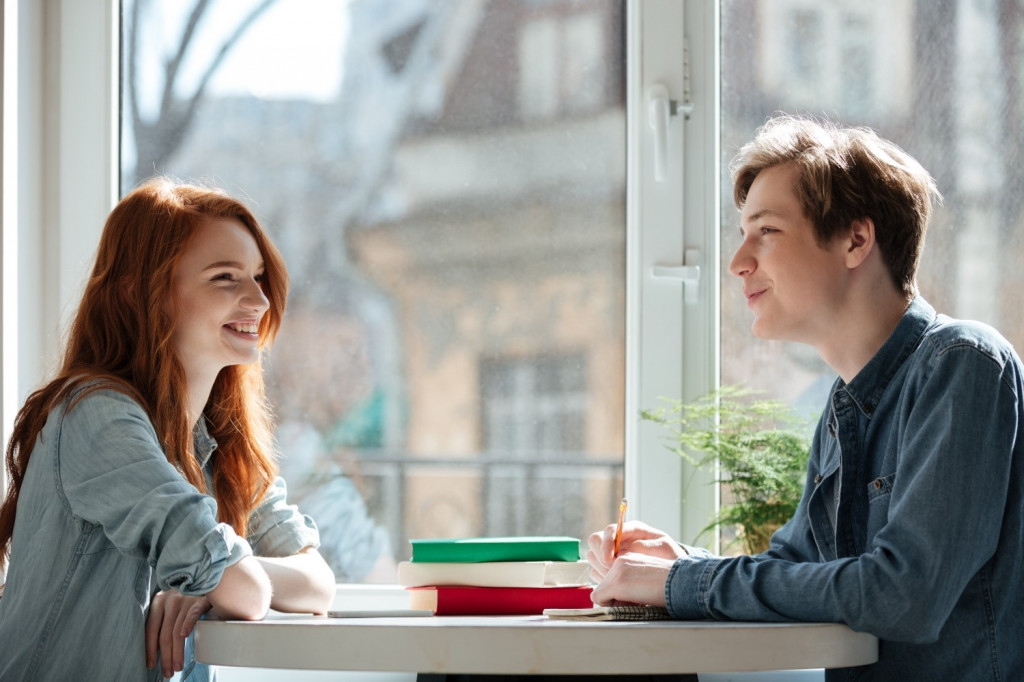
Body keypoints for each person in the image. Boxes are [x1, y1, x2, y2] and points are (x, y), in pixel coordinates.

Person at [587, 115, 1024, 680]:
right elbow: (795, 569)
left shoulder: (963, 364)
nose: (738, 261)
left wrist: (678, 585)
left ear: (855, 239)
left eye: (765, 231)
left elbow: (902, 594)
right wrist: (677, 563)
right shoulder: (843, 408)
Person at [0, 179, 337, 680]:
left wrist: (203, 582)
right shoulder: (95, 416)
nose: (259, 301)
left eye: (259, 277)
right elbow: (246, 592)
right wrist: (220, 576)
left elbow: (317, 583)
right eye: (225, 277)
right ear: (142, 294)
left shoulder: (221, 442)